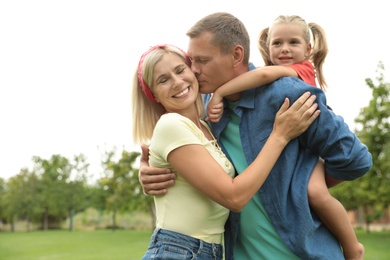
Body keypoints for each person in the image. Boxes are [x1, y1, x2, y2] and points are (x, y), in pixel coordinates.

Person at [138, 12, 372, 260]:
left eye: (202, 61)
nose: (193, 71)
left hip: (301, 253)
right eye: (192, 61)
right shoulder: (209, 108)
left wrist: (301, 185)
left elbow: (355, 159)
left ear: (236, 55)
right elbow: (193, 157)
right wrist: (149, 169)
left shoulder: (287, 95)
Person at [133, 44, 319, 260]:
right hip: (178, 250)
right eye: (163, 80)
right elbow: (234, 197)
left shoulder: (207, 127)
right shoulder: (171, 125)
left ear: (192, 70)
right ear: (153, 94)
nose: (177, 82)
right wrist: (280, 135)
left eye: (180, 70)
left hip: (205, 252)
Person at [205, 15, 364, 259]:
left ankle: (352, 246)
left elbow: (261, 76)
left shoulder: (291, 76)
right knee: (313, 191)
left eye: (293, 42)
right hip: (304, 155)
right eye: (277, 43)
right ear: (267, 48)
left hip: (312, 147)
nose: (285, 49)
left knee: (315, 192)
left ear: (308, 49)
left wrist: (220, 92)